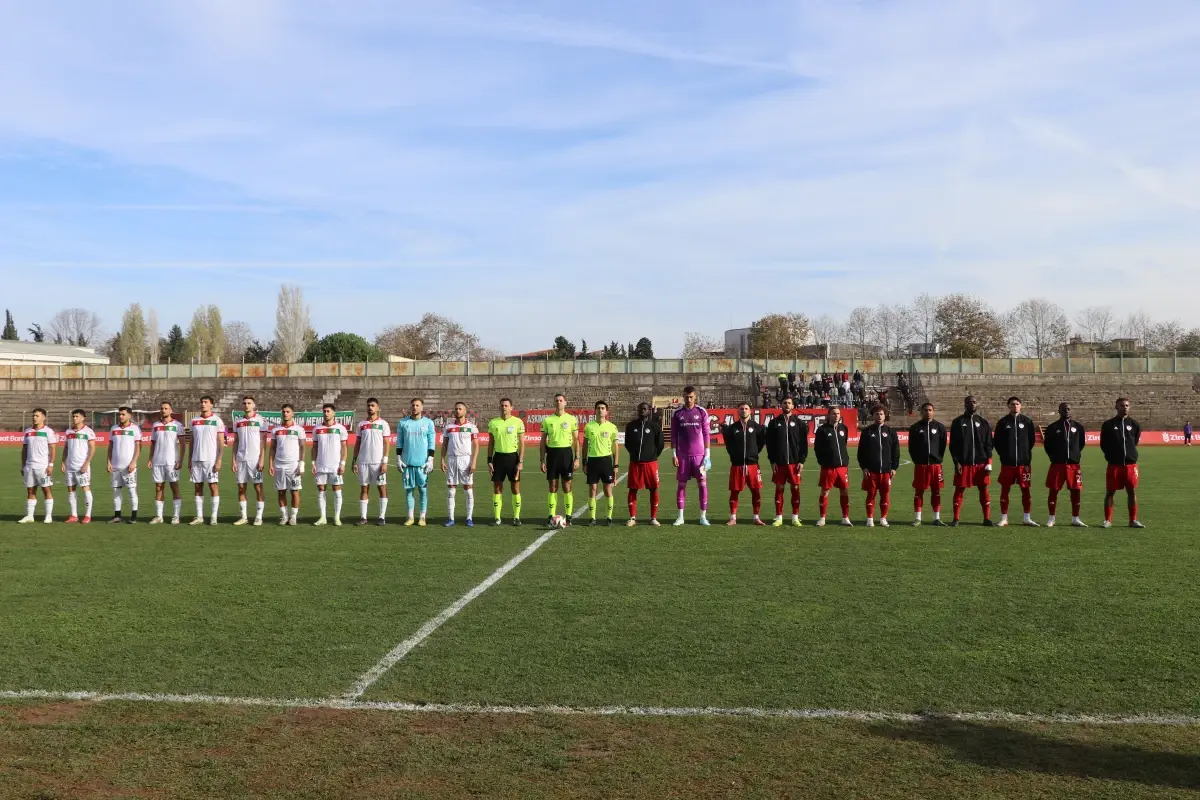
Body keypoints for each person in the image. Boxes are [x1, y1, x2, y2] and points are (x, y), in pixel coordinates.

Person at [993, 396, 1039, 527]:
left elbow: (1031, 441)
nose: (1015, 406)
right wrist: (1005, 456)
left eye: (1017, 404)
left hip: (1024, 464)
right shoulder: (1002, 422)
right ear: (1008, 406)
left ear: (1021, 406)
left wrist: (1025, 456)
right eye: (1012, 404)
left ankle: (1027, 518)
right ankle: (1004, 518)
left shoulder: (1027, 422)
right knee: (1005, 490)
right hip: (1008, 464)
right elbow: (997, 442)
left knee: (1026, 490)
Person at [948, 395, 993, 527]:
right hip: (964, 463)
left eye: (974, 402)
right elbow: (953, 445)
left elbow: (989, 444)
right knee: (959, 490)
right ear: (965, 404)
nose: (972, 404)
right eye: (969, 402)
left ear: (977, 404)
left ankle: (987, 518)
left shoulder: (983, 422)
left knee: (983, 489)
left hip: (980, 463)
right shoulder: (958, 422)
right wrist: (956, 462)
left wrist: (989, 462)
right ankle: (956, 518)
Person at [670, 386, 711, 526]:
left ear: (695, 397)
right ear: (683, 397)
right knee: (681, 486)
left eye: (691, 397)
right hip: (683, 456)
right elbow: (673, 435)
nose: (689, 399)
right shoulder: (677, 413)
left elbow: (706, 434)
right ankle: (680, 517)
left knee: (702, 486)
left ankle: (703, 516)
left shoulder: (701, 412)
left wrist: (707, 456)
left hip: (699, 456)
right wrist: (674, 454)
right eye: (686, 397)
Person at [764, 396, 808, 527]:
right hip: (780, 462)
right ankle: (779, 517)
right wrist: (772, 461)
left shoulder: (800, 423)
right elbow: (770, 444)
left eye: (789, 403)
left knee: (795, 488)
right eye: (784, 403)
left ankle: (795, 517)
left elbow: (803, 444)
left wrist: (802, 461)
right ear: (781, 405)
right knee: (779, 488)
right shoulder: (774, 423)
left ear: (793, 406)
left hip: (795, 463)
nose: (787, 405)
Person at [1100, 397, 1144, 528]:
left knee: (1131, 492)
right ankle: (1108, 520)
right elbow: (1104, 444)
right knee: (1110, 492)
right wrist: (1111, 456)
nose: (1124, 407)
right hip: (1114, 465)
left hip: (1130, 465)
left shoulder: (1134, 424)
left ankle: (1133, 520)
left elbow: (1134, 441)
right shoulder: (1108, 424)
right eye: (1121, 405)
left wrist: (1130, 454)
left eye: (1126, 405)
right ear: (1116, 407)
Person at [1043, 401, 1087, 528]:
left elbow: (1081, 444)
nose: (1066, 410)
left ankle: (1075, 518)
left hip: (1073, 465)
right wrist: (1054, 456)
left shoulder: (1078, 427)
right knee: (1054, 490)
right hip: (1057, 464)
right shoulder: (1053, 427)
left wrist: (1074, 455)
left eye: (1068, 408)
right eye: (1063, 409)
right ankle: (1051, 518)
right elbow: (1047, 445)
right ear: (1059, 411)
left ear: (1071, 410)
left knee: (1075, 491)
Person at [724, 401, 766, 526]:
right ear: (738, 411)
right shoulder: (733, 428)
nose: (744, 410)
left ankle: (756, 517)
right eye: (741, 408)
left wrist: (753, 454)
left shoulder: (757, 427)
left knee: (756, 491)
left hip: (753, 465)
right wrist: (735, 455)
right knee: (734, 492)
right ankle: (733, 517)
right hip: (737, 465)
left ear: (750, 411)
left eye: (746, 408)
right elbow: (729, 445)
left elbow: (760, 443)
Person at [857, 404, 900, 527]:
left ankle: (883, 518)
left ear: (885, 415)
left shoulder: (891, 432)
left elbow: (895, 452)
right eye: (877, 414)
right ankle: (870, 518)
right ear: (873, 416)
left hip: (886, 471)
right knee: (871, 494)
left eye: (881, 414)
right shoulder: (867, 432)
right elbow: (861, 452)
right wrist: (864, 467)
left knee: (885, 495)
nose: (879, 416)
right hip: (871, 471)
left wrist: (894, 467)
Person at [397, 398, 437, 527]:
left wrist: (430, 459)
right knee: (409, 491)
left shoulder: (428, 423)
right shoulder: (403, 423)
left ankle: (422, 517)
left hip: (422, 463)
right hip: (407, 463)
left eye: (417, 405)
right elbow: (399, 442)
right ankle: (410, 517)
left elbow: (431, 442)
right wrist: (398, 458)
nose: (414, 407)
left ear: (422, 408)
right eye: (413, 405)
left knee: (423, 491)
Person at [540, 394, 579, 525]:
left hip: (567, 454)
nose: (558, 402)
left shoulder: (572, 419)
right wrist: (542, 460)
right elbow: (542, 441)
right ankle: (551, 515)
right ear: (554, 403)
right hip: (552, 454)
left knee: (567, 485)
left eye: (561, 400)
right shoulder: (547, 420)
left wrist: (577, 458)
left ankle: (568, 516)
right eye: (556, 400)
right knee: (552, 486)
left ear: (565, 403)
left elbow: (576, 440)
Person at [908, 402, 948, 526]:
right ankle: (918, 518)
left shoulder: (940, 427)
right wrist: (918, 460)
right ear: (921, 412)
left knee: (936, 491)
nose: (928, 412)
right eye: (925, 410)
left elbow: (942, 446)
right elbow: (911, 447)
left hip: (936, 466)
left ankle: (936, 518)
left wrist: (937, 458)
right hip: (921, 466)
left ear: (933, 411)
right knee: (919, 492)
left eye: (930, 410)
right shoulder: (915, 428)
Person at [188, 396, 226, 526]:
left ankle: (214, 516)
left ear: (211, 405)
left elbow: (221, 442)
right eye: (202, 402)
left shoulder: (217, 421)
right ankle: (199, 516)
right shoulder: (194, 421)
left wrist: (219, 459)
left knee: (213, 486)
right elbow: (192, 441)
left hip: (211, 460)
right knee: (197, 486)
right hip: (196, 459)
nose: (203, 404)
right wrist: (189, 459)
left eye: (206, 402)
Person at [353, 398, 391, 526]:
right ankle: (363, 517)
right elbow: (357, 444)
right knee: (364, 489)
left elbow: (386, 444)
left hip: (378, 462)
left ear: (378, 408)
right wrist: (354, 461)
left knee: (382, 488)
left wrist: (385, 462)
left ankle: (382, 517)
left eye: (373, 406)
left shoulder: (383, 424)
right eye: (369, 405)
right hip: (363, 462)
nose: (370, 408)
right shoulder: (361, 424)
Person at [487, 398, 526, 526]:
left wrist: (520, 461)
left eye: (506, 405)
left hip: (513, 458)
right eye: (502, 405)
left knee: (515, 488)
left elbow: (522, 443)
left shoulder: (517, 422)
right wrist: (489, 460)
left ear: (511, 407)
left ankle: (516, 517)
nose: (504, 407)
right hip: (498, 458)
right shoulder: (493, 423)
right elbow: (491, 442)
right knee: (497, 488)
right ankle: (497, 518)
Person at [230, 395, 267, 526]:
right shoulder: (238, 422)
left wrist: (262, 459)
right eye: (244, 403)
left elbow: (263, 441)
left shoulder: (261, 420)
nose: (246, 405)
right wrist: (233, 459)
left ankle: (258, 517)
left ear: (254, 405)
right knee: (241, 488)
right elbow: (236, 442)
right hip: (241, 459)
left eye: (249, 403)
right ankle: (244, 517)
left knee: (258, 487)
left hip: (255, 460)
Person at [624, 402, 664, 526]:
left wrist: (652, 455)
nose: (642, 411)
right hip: (635, 463)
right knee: (633, 489)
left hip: (651, 464)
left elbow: (660, 444)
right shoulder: (631, 426)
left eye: (645, 409)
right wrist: (635, 455)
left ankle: (653, 518)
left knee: (653, 489)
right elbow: (627, 443)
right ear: (637, 410)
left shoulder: (655, 426)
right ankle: (632, 518)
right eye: (640, 409)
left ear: (649, 411)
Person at [441, 401, 479, 527]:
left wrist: (473, 462)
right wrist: (442, 460)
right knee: (451, 491)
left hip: (466, 460)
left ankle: (469, 518)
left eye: (460, 409)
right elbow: (444, 444)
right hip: (452, 460)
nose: (458, 411)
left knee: (468, 490)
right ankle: (451, 518)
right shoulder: (448, 427)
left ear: (465, 411)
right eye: (456, 409)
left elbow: (476, 446)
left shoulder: (471, 427)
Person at [582, 401, 620, 526]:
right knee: (592, 489)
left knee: (607, 489)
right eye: (598, 408)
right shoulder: (589, 426)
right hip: (592, 460)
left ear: (606, 411)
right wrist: (584, 461)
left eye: (603, 408)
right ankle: (592, 518)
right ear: (595, 410)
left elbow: (615, 447)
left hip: (606, 460)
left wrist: (616, 465)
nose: (600, 410)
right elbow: (585, 445)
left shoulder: (612, 427)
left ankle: (609, 517)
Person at [268, 404, 306, 526]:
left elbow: (303, 447)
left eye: (288, 411)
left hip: (293, 465)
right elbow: (272, 448)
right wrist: (270, 464)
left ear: (292, 413)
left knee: (295, 491)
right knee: (281, 491)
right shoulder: (275, 430)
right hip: (279, 465)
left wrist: (302, 464)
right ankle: (284, 516)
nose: (285, 414)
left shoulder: (299, 429)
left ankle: (293, 517)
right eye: (283, 411)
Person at [311, 403, 349, 526]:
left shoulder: (340, 428)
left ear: (334, 413)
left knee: (336, 489)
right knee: (321, 489)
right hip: (321, 464)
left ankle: (337, 517)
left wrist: (343, 463)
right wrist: (313, 463)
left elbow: (344, 448)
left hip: (335, 465)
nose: (326, 413)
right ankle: (323, 517)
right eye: (324, 411)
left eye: (328, 411)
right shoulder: (317, 429)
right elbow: (314, 447)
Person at [814, 406, 851, 526]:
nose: (836, 416)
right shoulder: (822, 430)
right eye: (834, 413)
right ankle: (822, 518)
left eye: (838, 413)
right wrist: (823, 461)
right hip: (828, 467)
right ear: (829, 415)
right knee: (825, 492)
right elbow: (817, 448)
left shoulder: (844, 428)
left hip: (842, 467)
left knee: (844, 491)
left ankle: (845, 517)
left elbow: (844, 443)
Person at [147, 401, 184, 525]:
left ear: (171, 410)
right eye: (162, 408)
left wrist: (181, 460)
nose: (163, 410)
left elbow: (183, 444)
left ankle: (176, 516)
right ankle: (159, 516)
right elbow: (153, 443)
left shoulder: (177, 425)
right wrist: (150, 458)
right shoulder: (155, 425)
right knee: (158, 488)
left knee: (174, 487)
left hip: (171, 462)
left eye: (166, 408)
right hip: (158, 461)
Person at [19, 408, 57, 524]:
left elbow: (53, 449)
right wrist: (23, 465)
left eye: (37, 416)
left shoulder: (48, 431)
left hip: (43, 466)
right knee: (30, 490)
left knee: (46, 489)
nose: (34, 417)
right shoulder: (28, 431)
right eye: (34, 416)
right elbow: (24, 449)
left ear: (43, 417)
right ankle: (30, 516)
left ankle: (48, 516)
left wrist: (51, 465)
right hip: (29, 466)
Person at [61, 409, 96, 524]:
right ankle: (74, 515)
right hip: (70, 466)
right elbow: (66, 447)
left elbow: (92, 448)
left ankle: (87, 515)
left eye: (77, 416)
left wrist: (86, 463)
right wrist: (63, 461)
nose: (74, 418)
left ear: (83, 418)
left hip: (81, 466)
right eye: (73, 416)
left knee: (85, 488)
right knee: (71, 490)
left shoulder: (88, 431)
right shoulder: (68, 431)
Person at [107, 406, 142, 524]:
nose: (120, 416)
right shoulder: (113, 428)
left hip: (129, 466)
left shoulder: (135, 429)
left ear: (129, 416)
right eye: (120, 414)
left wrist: (133, 462)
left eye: (123, 414)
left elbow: (138, 448)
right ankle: (117, 516)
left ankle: (133, 516)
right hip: (115, 466)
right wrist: (108, 461)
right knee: (116, 491)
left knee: (131, 491)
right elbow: (110, 447)